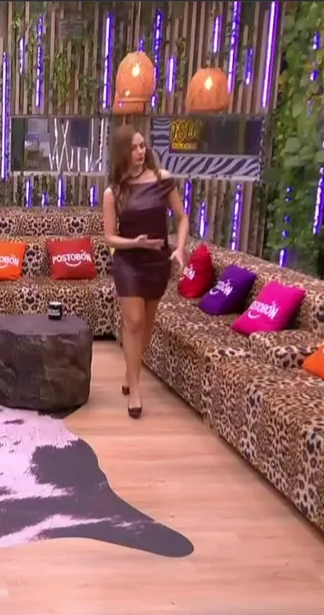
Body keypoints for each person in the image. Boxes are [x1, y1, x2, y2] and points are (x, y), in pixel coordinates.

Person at [101, 125, 189, 419]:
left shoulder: (163, 180)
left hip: (157, 262)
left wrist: (180, 248)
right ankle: (136, 389)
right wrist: (134, 243)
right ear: (122, 153)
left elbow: (182, 217)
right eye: (134, 148)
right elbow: (109, 237)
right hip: (128, 262)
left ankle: (130, 373)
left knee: (147, 325)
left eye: (142, 146)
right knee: (134, 321)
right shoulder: (114, 192)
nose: (141, 152)